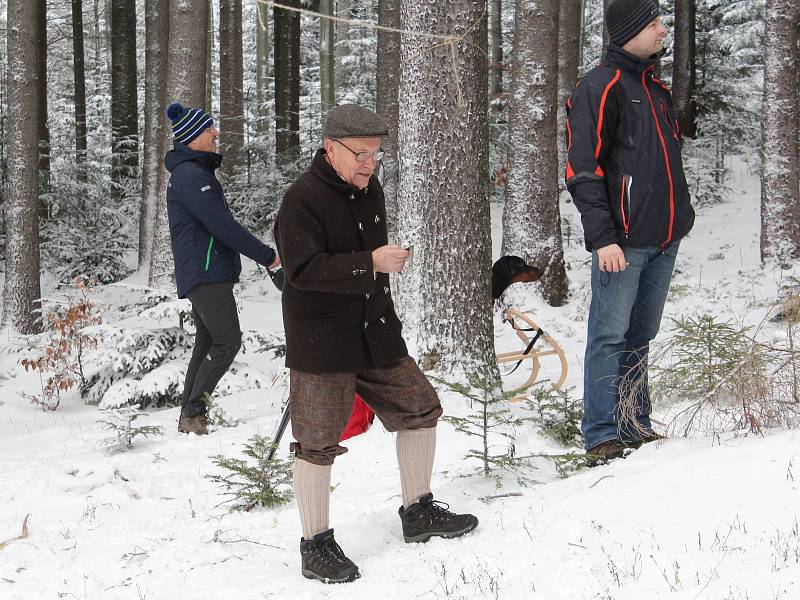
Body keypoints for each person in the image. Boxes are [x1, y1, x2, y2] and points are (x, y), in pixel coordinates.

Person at [274, 104, 478, 584]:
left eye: (376, 154)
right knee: (318, 441)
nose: (369, 163)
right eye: (360, 153)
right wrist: (369, 262)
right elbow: (300, 272)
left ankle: (419, 512)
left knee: (420, 408)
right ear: (330, 148)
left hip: (376, 331)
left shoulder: (370, 188)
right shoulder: (300, 200)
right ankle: (315, 545)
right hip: (322, 339)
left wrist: (378, 266)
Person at [564, 0, 695, 464]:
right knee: (609, 336)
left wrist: (680, 221)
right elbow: (582, 170)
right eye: (656, 23)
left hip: (664, 239)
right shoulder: (600, 87)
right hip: (622, 242)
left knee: (641, 334)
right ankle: (601, 435)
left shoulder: (655, 89)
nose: (664, 30)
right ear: (632, 30)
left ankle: (635, 424)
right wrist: (603, 238)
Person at [164, 102, 280, 435]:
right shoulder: (190, 176)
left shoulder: (194, 173)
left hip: (205, 270)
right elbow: (221, 225)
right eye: (208, 130)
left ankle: (189, 416)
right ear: (190, 138)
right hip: (205, 271)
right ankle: (194, 412)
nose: (216, 133)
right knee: (227, 341)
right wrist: (268, 257)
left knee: (207, 341)